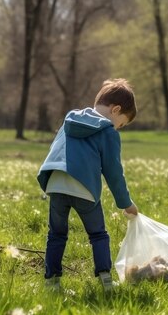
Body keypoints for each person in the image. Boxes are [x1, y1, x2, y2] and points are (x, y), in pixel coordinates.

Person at [37, 78, 139, 292]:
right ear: (115, 110)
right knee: (98, 234)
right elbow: (113, 172)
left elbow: (56, 148)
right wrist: (125, 203)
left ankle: (51, 282)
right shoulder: (108, 132)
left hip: (56, 181)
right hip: (84, 187)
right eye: (120, 123)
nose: (117, 128)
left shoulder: (70, 119)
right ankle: (105, 280)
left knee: (56, 234)